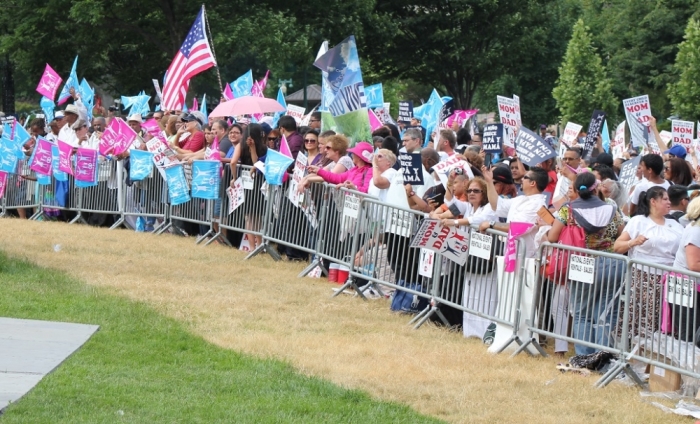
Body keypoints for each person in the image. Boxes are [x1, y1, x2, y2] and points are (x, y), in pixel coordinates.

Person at [547, 173, 625, 355]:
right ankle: (603, 356)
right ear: (595, 188)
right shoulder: (611, 209)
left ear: (577, 190)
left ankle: (584, 356)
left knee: (582, 313)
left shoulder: (568, 210)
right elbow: (622, 234)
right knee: (605, 313)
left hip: (582, 263)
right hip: (611, 264)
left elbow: (552, 237)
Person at [614, 186, 684, 340]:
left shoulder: (675, 225)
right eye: (664, 199)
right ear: (653, 201)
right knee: (643, 317)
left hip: (670, 280)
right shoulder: (638, 221)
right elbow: (617, 246)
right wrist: (633, 242)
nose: (668, 202)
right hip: (643, 279)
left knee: (664, 318)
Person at [480, 166, 549, 257]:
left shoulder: (538, 205)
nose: (521, 179)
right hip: (512, 254)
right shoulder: (520, 199)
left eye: (525, 177)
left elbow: (517, 227)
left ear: (532, 183)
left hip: (526, 259)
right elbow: (496, 205)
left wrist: (491, 224)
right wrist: (489, 181)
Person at [228, 123, 268, 250]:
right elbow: (255, 163)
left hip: (247, 182)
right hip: (258, 183)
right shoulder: (264, 147)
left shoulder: (243, 145)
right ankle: (259, 245)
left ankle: (252, 247)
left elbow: (233, 162)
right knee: (256, 217)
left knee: (249, 218)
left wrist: (234, 178)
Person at [308, 142, 374, 194]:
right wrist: (319, 171)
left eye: (354, 153)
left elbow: (367, 190)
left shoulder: (370, 171)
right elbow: (337, 178)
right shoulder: (354, 170)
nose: (352, 155)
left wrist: (353, 187)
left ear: (359, 157)